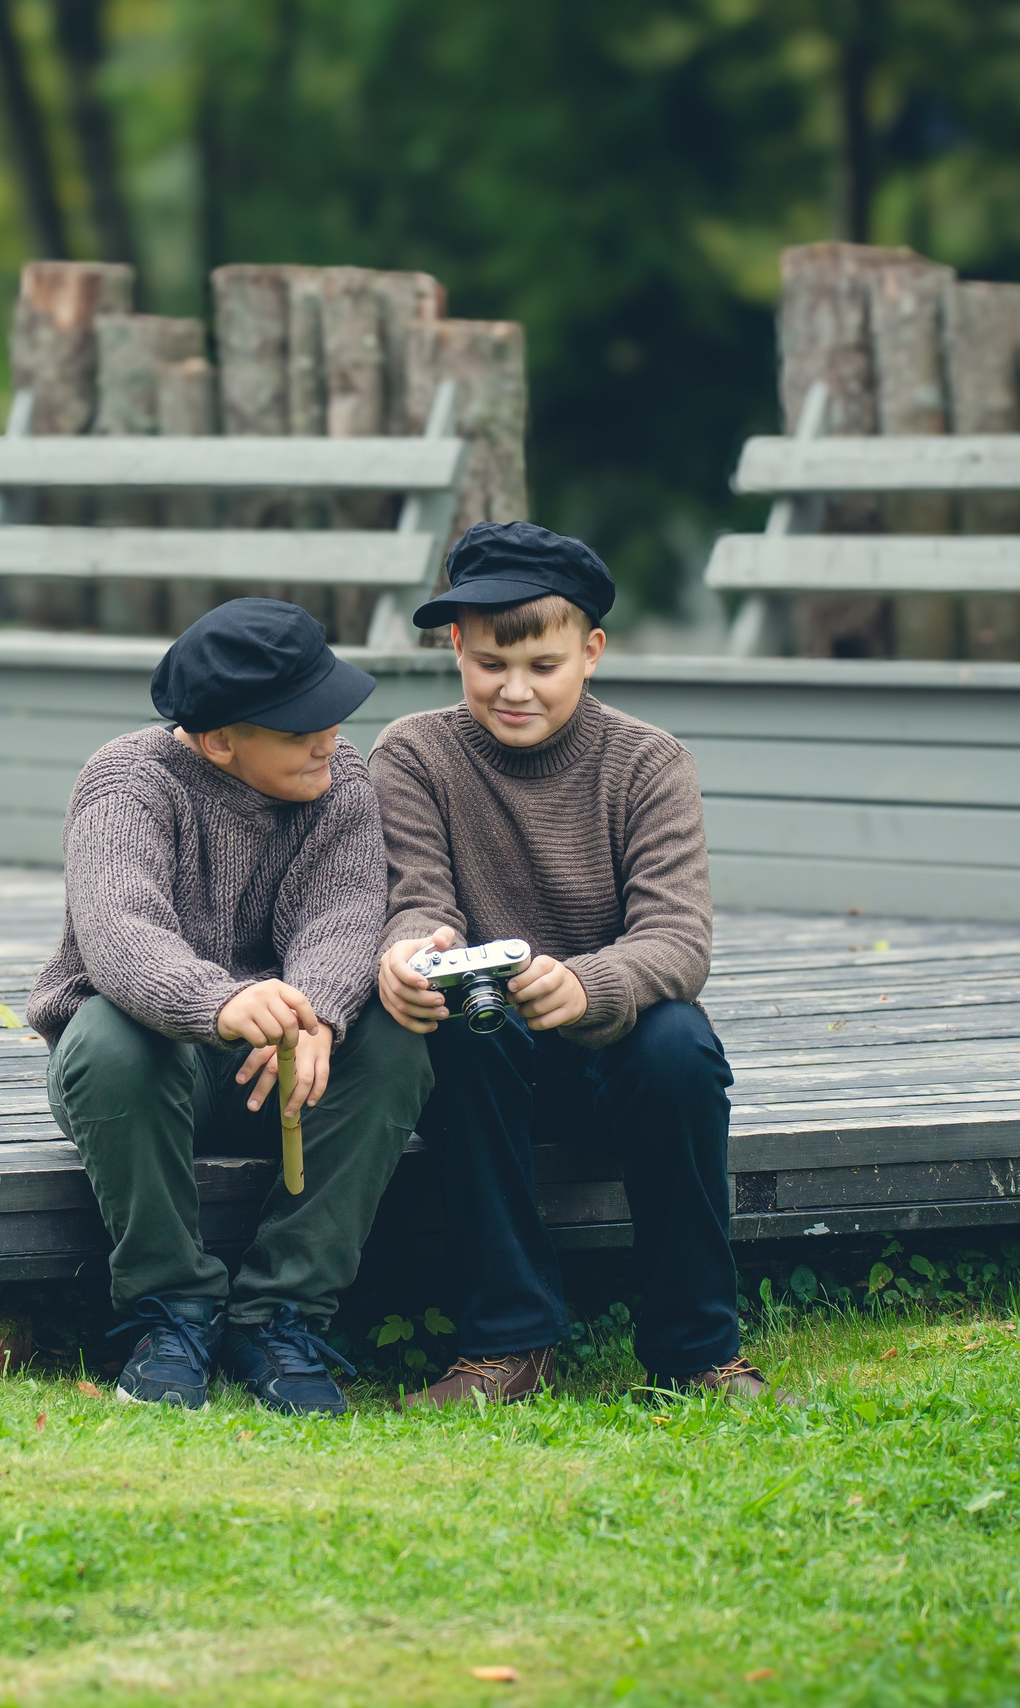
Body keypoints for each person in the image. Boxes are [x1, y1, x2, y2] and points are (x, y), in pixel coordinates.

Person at [370, 522, 793, 1407]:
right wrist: (412, 951)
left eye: (542, 666)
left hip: (616, 1050)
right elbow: (417, 895)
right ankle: (508, 1346)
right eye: (490, 664)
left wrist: (588, 984)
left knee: (679, 1043)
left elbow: (677, 940)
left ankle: (696, 1350)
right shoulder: (412, 753)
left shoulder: (647, 762)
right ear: (456, 646)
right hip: (490, 1051)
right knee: (460, 1032)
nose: (513, 690)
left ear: (591, 652)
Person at [30, 599, 432, 1416]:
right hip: (143, 1074)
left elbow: (346, 913)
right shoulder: (127, 782)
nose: (329, 739)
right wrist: (223, 1000)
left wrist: (317, 1014)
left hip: (282, 1065)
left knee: (397, 1038)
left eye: (331, 714)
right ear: (219, 740)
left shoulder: (339, 780)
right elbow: (120, 934)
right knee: (108, 1034)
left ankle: (280, 1316)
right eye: (298, 729)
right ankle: (169, 1313)